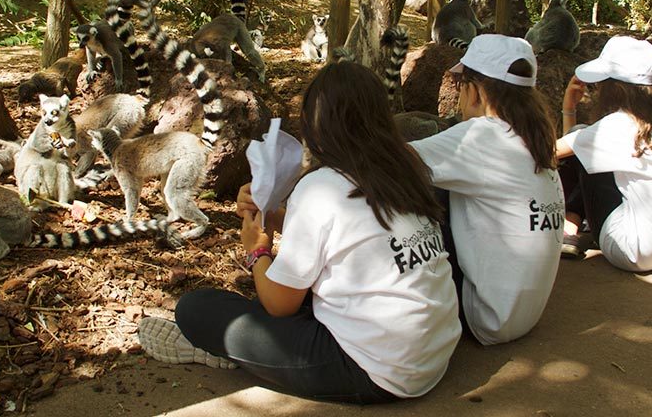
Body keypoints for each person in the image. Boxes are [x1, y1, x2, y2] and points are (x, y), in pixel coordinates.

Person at [137, 61, 460, 404]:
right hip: (436, 352)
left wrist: (258, 251)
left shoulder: (321, 186)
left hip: (375, 371)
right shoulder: (404, 170)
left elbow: (278, 305)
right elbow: (341, 237)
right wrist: (274, 216)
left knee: (196, 309)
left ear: (318, 126)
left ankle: (231, 354)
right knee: (291, 293)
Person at [409, 34, 564, 346]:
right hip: (522, 315)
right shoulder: (535, 135)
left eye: (458, 84)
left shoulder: (481, 135)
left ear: (475, 91)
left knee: (417, 184)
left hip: (483, 316)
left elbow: (384, 161)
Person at [557, 36, 652, 272]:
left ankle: (569, 226)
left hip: (627, 250)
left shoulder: (616, 126)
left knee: (581, 137)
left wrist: (568, 108)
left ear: (614, 88)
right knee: (586, 144)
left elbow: (550, 152)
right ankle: (573, 222)